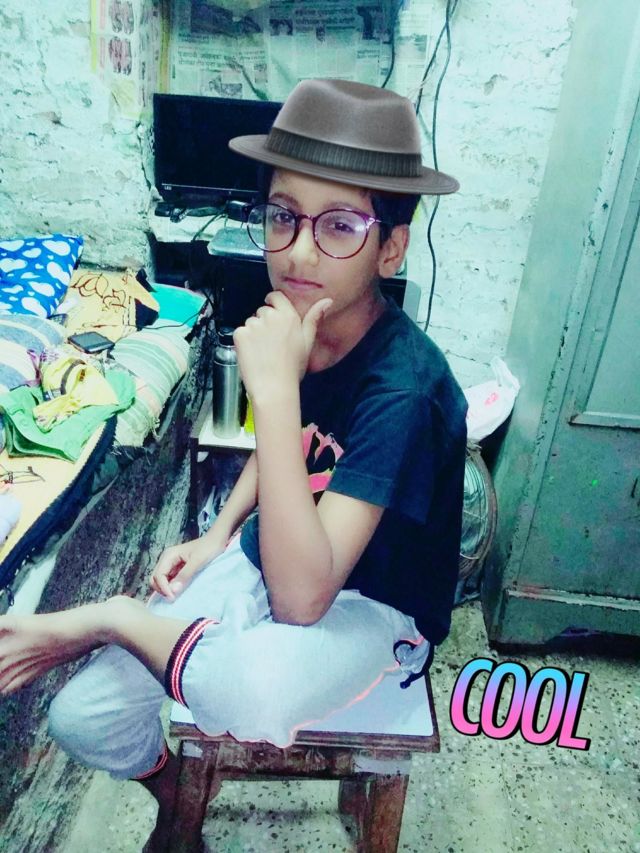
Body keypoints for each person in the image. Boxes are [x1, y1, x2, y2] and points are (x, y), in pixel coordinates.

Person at [0, 78, 467, 850]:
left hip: (378, 609)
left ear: (392, 246)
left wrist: (274, 391)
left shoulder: (407, 391)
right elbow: (295, 450)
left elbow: (303, 600)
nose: (299, 252)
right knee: (81, 716)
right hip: (274, 552)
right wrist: (219, 533)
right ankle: (178, 799)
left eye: (340, 225)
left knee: (249, 694)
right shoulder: (303, 318)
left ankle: (111, 617)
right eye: (283, 216)